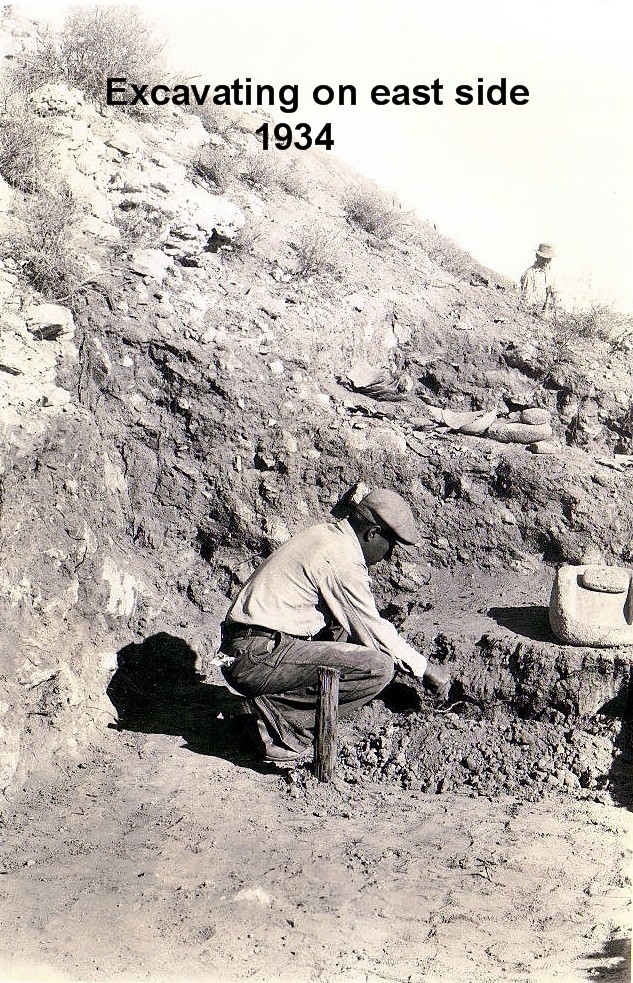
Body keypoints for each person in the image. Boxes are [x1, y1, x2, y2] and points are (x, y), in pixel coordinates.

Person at [219, 488, 451, 764]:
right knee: (378, 667)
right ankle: (269, 725)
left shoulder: (325, 535)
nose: (389, 556)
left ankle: (267, 713)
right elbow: (373, 633)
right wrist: (426, 669)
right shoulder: (341, 557)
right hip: (256, 657)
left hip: (247, 648)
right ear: (373, 533)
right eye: (391, 545)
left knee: (343, 629)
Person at [520, 242, 558, 315]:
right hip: (532, 314)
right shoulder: (530, 274)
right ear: (537, 256)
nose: (546, 262)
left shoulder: (551, 273)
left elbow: (555, 297)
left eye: (549, 259)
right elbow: (525, 300)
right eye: (544, 259)